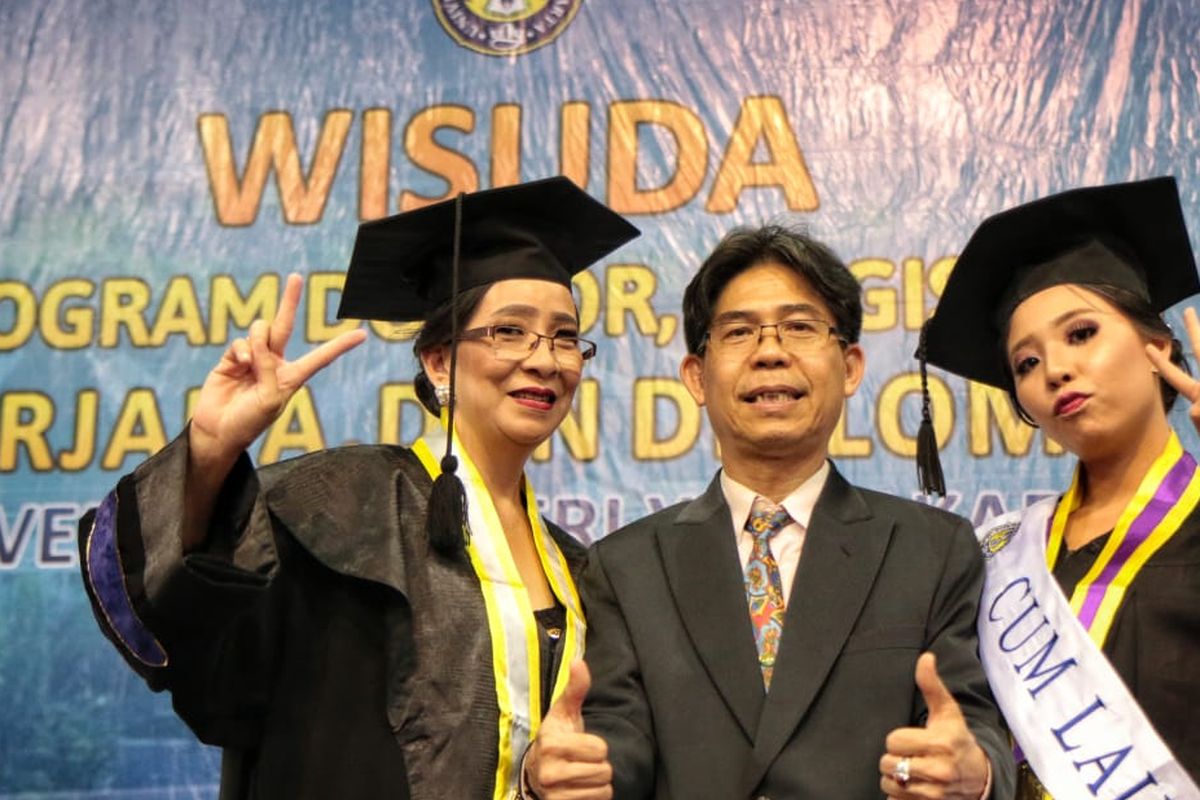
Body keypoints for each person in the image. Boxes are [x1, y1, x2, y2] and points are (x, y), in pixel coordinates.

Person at [76, 177, 639, 799]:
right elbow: (182, 620)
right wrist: (211, 450)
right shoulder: (340, 505)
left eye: (565, 337)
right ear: (440, 360)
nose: (544, 358)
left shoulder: (576, 565)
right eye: (509, 331)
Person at [527, 225, 1015, 799]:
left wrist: (975, 774)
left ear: (851, 367)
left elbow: (971, 723)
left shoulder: (933, 550)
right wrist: (576, 772)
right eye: (738, 332)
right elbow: (617, 737)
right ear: (696, 377)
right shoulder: (626, 565)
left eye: (801, 327)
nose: (770, 352)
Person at [921, 176, 1200, 799]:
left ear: (1158, 346)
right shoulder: (1001, 554)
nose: (1056, 369)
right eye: (1026, 362)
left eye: (1081, 334)